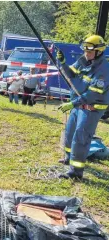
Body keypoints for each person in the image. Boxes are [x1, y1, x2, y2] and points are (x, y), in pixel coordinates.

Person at [56, 35, 109, 179]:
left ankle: (76, 172)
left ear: (99, 51)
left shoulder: (105, 68)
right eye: (85, 49)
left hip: (91, 108)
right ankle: (68, 158)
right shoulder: (83, 61)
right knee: (70, 132)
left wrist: (72, 103)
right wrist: (63, 63)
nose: (86, 53)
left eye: (90, 51)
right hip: (78, 104)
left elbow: (92, 94)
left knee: (81, 137)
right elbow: (71, 75)